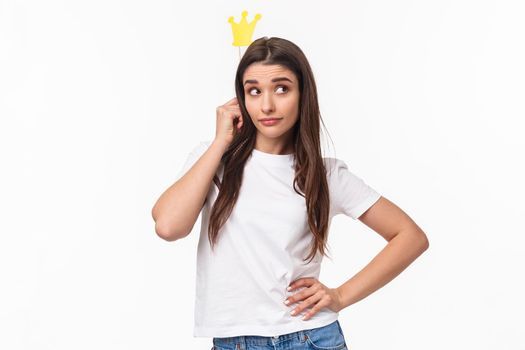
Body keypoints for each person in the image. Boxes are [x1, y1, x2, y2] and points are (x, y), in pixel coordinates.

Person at [151, 36, 429, 350]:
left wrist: (340, 296)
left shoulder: (325, 175)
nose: (266, 105)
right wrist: (220, 144)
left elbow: (410, 236)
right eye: (254, 91)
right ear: (241, 99)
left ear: (302, 94)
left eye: (281, 88)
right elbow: (169, 226)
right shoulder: (213, 160)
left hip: (310, 338)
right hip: (234, 342)